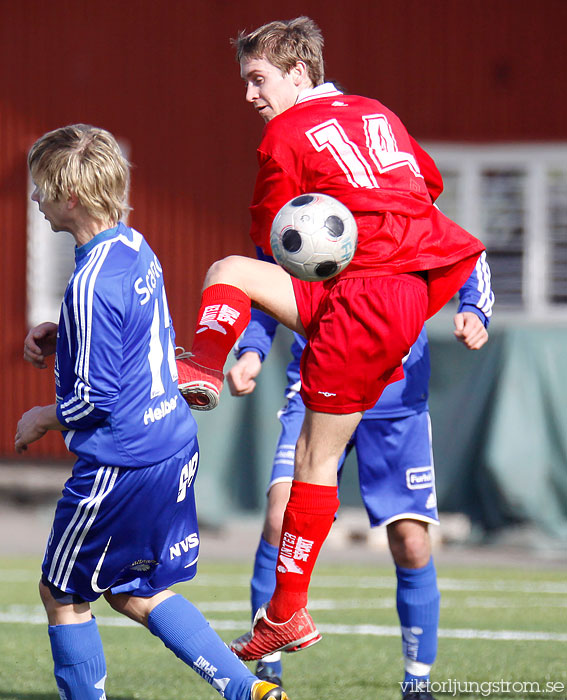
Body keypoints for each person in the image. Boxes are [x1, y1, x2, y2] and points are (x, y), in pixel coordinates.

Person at [176, 16, 487, 664]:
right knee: (229, 274)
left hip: (362, 300)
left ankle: (287, 615)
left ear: (298, 73)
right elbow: (424, 186)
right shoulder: (377, 112)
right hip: (402, 292)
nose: (249, 95)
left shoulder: (286, 134)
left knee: (313, 464)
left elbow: (271, 232)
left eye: (257, 78)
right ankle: (203, 369)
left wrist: (327, 229)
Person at [15, 124, 288, 700]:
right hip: (171, 444)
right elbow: (132, 336)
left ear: (70, 197)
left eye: (41, 187)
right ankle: (251, 692)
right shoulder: (134, 246)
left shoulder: (89, 282)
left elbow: (97, 399)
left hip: (121, 463)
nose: (34, 198)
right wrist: (66, 335)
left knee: (61, 592)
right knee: (134, 589)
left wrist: (42, 415)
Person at [225, 252, 493, 700]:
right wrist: (252, 349)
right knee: (278, 515)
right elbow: (266, 278)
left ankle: (417, 682)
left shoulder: (404, 203)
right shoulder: (306, 211)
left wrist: (474, 309)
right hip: (317, 386)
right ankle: (267, 662)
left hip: (398, 403)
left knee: (410, 540)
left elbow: (468, 253)